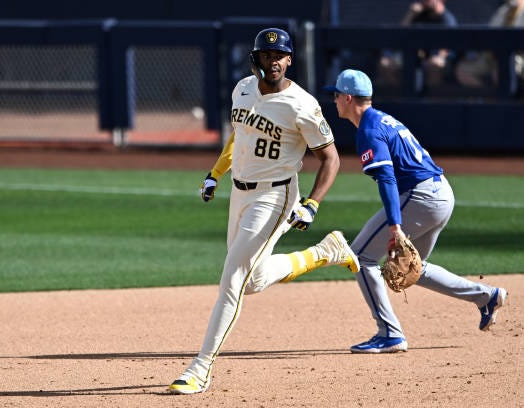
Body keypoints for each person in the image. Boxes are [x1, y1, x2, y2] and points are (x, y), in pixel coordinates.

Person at [168, 28, 359, 394]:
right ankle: (326, 252)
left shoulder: (302, 104)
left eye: (280, 56)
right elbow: (238, 135)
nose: (274, 61)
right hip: (239, 195)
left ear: (289, 60)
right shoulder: (242, 89)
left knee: (233, 279)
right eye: (267, 55)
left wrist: (312, 204)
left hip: (275, 198)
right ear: (256, 58)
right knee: (252, 280)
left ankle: (201, 368)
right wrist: (215, 173)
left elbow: (330, 158)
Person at [323, 69, 508, 353]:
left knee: (360, 256)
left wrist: (395, 226)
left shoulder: (369, 130)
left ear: (348, 98)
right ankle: (486, 297)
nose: (333, 100)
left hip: (421, 197)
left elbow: (387, 179)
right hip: (441, 193)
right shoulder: (383, 120)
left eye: (335, 95)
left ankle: (389, 333)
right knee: (414, 267)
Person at [377, 0, 458, 88]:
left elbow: (447, 48)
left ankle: (430, 99)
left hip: (437, 58)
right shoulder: (417, 15)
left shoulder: (447, 19)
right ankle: (398, 97)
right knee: (385, 64)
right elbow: (400, 35)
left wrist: (438, 56)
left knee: (435, 64)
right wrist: (410, 14)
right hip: (412, 55)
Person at [455, 0, 524, 89]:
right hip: (492, 56)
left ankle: (507, 101)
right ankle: (487, 98)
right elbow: (491, 33)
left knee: (501, 72)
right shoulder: (504, 9)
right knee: (463, 71)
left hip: (517, 57)